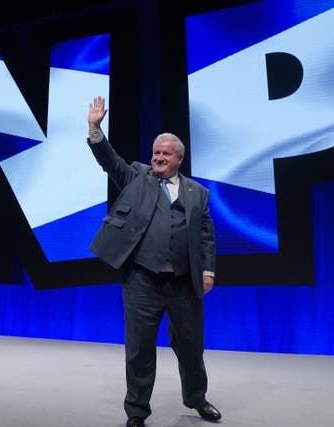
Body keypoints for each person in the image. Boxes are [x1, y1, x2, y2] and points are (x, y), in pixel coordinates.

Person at [86, 96, 220, 426]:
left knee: (191, 347)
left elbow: (205, 236)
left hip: (183, 284)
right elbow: (109, 160)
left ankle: (197, 398)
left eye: (165, 154)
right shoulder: (136, 177)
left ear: (179, 159)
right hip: (142, 280)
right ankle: (136, 413)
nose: (158, 157)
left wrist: (207, 270)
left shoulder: (197, 193)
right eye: (155, 152)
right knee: (140, 349)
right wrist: (94, 129)